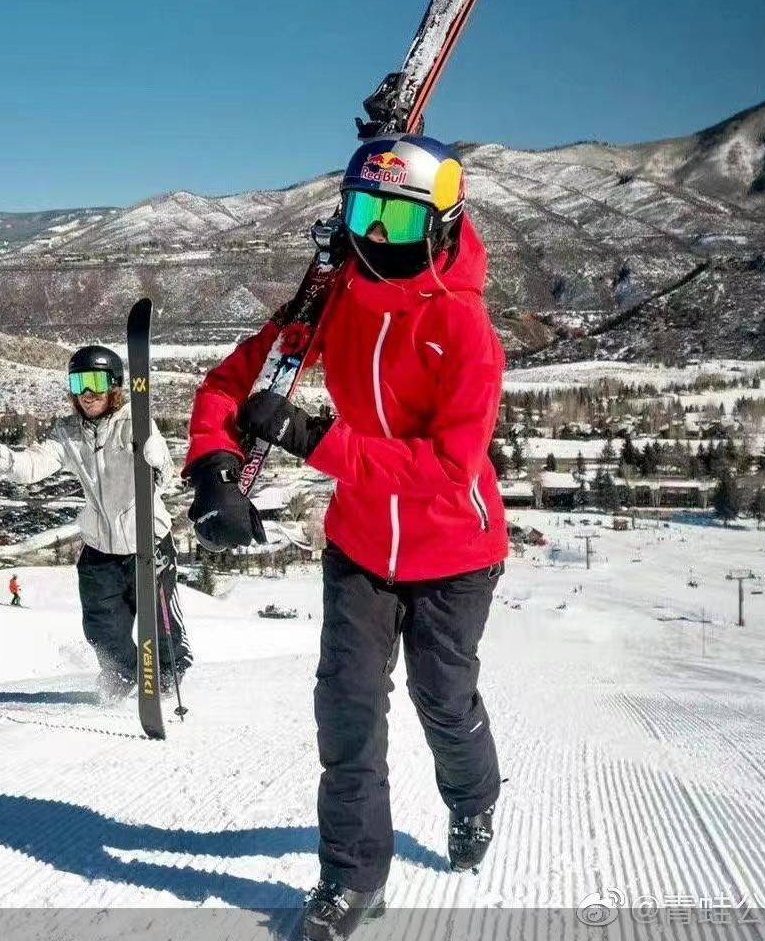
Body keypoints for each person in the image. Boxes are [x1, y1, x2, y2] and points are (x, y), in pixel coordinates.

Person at [184, 135, 508, 940]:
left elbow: (448, 468)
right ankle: (354, 875)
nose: (375, 238)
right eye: (364, 214)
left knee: (442, 696)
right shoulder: (336, 301)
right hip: (360, 545)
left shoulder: (466, 330)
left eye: (398, 224)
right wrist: (214, 468)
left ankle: (474, 799)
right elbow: (233, 382)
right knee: (348, 707)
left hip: (454, 553)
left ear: (440, 226)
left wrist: (315, 440)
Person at [0, 345, 192, 698]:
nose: (87, 393)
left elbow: (163, 469)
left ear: (113, 385)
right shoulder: (69, 432)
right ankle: (125, 678)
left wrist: (157, 463)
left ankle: (170, 676)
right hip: (99, 548)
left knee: (161, 623)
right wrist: (4, 460)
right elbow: (35, 463)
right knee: (101, 629)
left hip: (147, 540)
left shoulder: (134, 423)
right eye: (78, 383)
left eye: (95, 382)